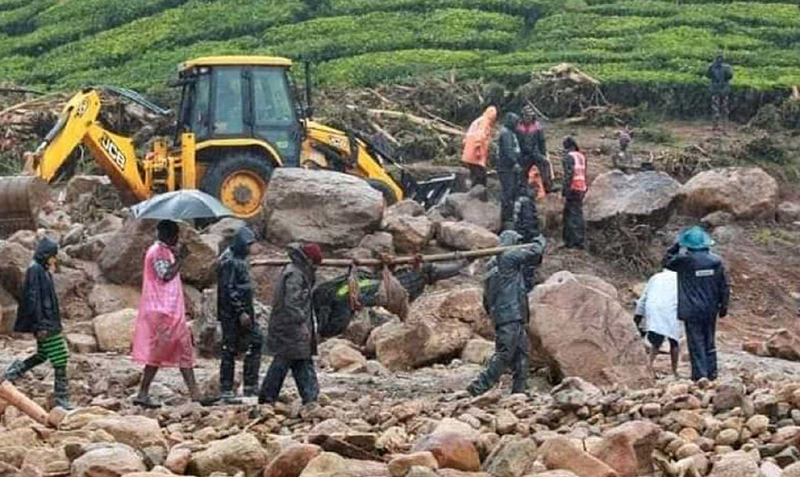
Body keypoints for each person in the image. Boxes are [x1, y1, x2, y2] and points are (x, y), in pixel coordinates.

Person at [467, 230, 546, 397]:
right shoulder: (508, 256)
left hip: (506, 315)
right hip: (511, 314)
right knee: (505, 353)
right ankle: (478, 386)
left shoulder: (491, 265)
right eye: (517, 242)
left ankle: (520, 390)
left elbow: (486, 298)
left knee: (521, 353)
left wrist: (495, 315)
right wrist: (540, 240)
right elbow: (535, 253)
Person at [132, 220, 200, 408]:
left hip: (169, 310)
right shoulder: (158, 252)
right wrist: (180, 260)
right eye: (176, 236)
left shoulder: (164, 251)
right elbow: (166, 275)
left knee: (181, 349)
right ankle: (143, 392)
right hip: (162, 310)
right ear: (170, 236)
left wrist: (176, 257)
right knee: (161, 351)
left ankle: (195, 393)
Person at [4, 238, 74, 410]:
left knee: (42, 355)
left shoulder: (41, 269)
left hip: (47, 322)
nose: (55, 259)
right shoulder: (36, 270)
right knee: (60, 356)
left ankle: (10, 374)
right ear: (46, 255)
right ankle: (61, 398)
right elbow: (33, 300)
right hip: (45, 324)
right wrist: (40, 324)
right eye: (53, 256)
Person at [259, 243, 323, 405]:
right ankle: (269, 397)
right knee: (287, 361)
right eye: (315, 264)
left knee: (298, 359)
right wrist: (302, 324)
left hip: (290, 325)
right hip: (290, 326)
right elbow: (292, 303)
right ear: (309, 261)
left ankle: (309, 397)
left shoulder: (295, 271)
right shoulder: (295, 274)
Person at [664, 226, 730, 382]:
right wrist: (724, 306)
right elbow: (724, 285)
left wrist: (676, 246)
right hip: (710, 308)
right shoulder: (716, 261)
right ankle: (712, 373)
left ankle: (700, 375)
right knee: (709, 340)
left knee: (696, 342)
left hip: (691, 309)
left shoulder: (683, 261)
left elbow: (665, 262)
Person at [217, 226, 260, 403]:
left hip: (240, 311)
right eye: (249, 244)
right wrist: (241, 311)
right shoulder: (230, 262)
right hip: (232, 314)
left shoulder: (238, 260)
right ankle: (227, 388)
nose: (252, 248)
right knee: (230, 348)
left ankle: (249, 385)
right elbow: (229, 289)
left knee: (253, 343)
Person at [635, 268, 681, 377]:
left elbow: (643, 299)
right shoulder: (681, 278)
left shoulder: (655, 277)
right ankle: (674, 371)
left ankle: (649, 367)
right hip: (672, 309)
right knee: (674, 341)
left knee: (656, 339)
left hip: (654, 308)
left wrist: (637, 317)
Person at [516, 104, 553, 193]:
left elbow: (541, 141)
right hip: (524, 154)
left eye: (530, 116)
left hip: (535, 152)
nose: (528, 118)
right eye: (526, 116)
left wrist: (543, 154)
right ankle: (522, 188)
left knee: (545, 165)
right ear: (523, 116)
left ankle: (548, 186)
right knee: (522, 171)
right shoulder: (518, 126)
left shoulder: (537, 126)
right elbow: (517, 141)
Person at [462, 106, 498, 189]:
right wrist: (477, 149)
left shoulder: (478, 121)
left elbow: (466, 137)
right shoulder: (485, 122)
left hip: (469, 152)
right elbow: (480, 136)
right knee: (480, 176)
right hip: (476, 153)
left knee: (474, 174)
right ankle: (478, 193)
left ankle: (473, 191)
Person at [514, 186, 541, 292]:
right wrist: (534, 235)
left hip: (519, 234)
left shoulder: (519, 200)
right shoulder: (527, 204)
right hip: (526, 237)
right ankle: (526, 287)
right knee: (528, 264)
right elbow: (528, 222)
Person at [562, 137, 587, 249]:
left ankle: (572, 242)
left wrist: (564, 191)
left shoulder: (569, 157)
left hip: (572, 188)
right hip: (581, 187)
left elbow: (569, 175)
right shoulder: (581, 156)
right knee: (578, 214)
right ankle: (579, 240)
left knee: (570, 215)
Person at [498, 112, 522, 229]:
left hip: (509, 167)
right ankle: (507, 219)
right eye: (516, 123)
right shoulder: (506, 133)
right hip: (506, 168)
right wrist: (515, 162)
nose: (517, 125)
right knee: (508, 192)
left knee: (512, 191)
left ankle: (510, 216)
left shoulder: (510, 132)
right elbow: (508, 151)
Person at [708, 53, 733, 130]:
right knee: (720, 108)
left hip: (718, 90)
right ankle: (721, 125)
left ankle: (718, 125)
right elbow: (730, 76)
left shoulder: (712, 67)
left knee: (718, 108)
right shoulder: (726, 67)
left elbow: (708, 75)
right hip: (721, 90)